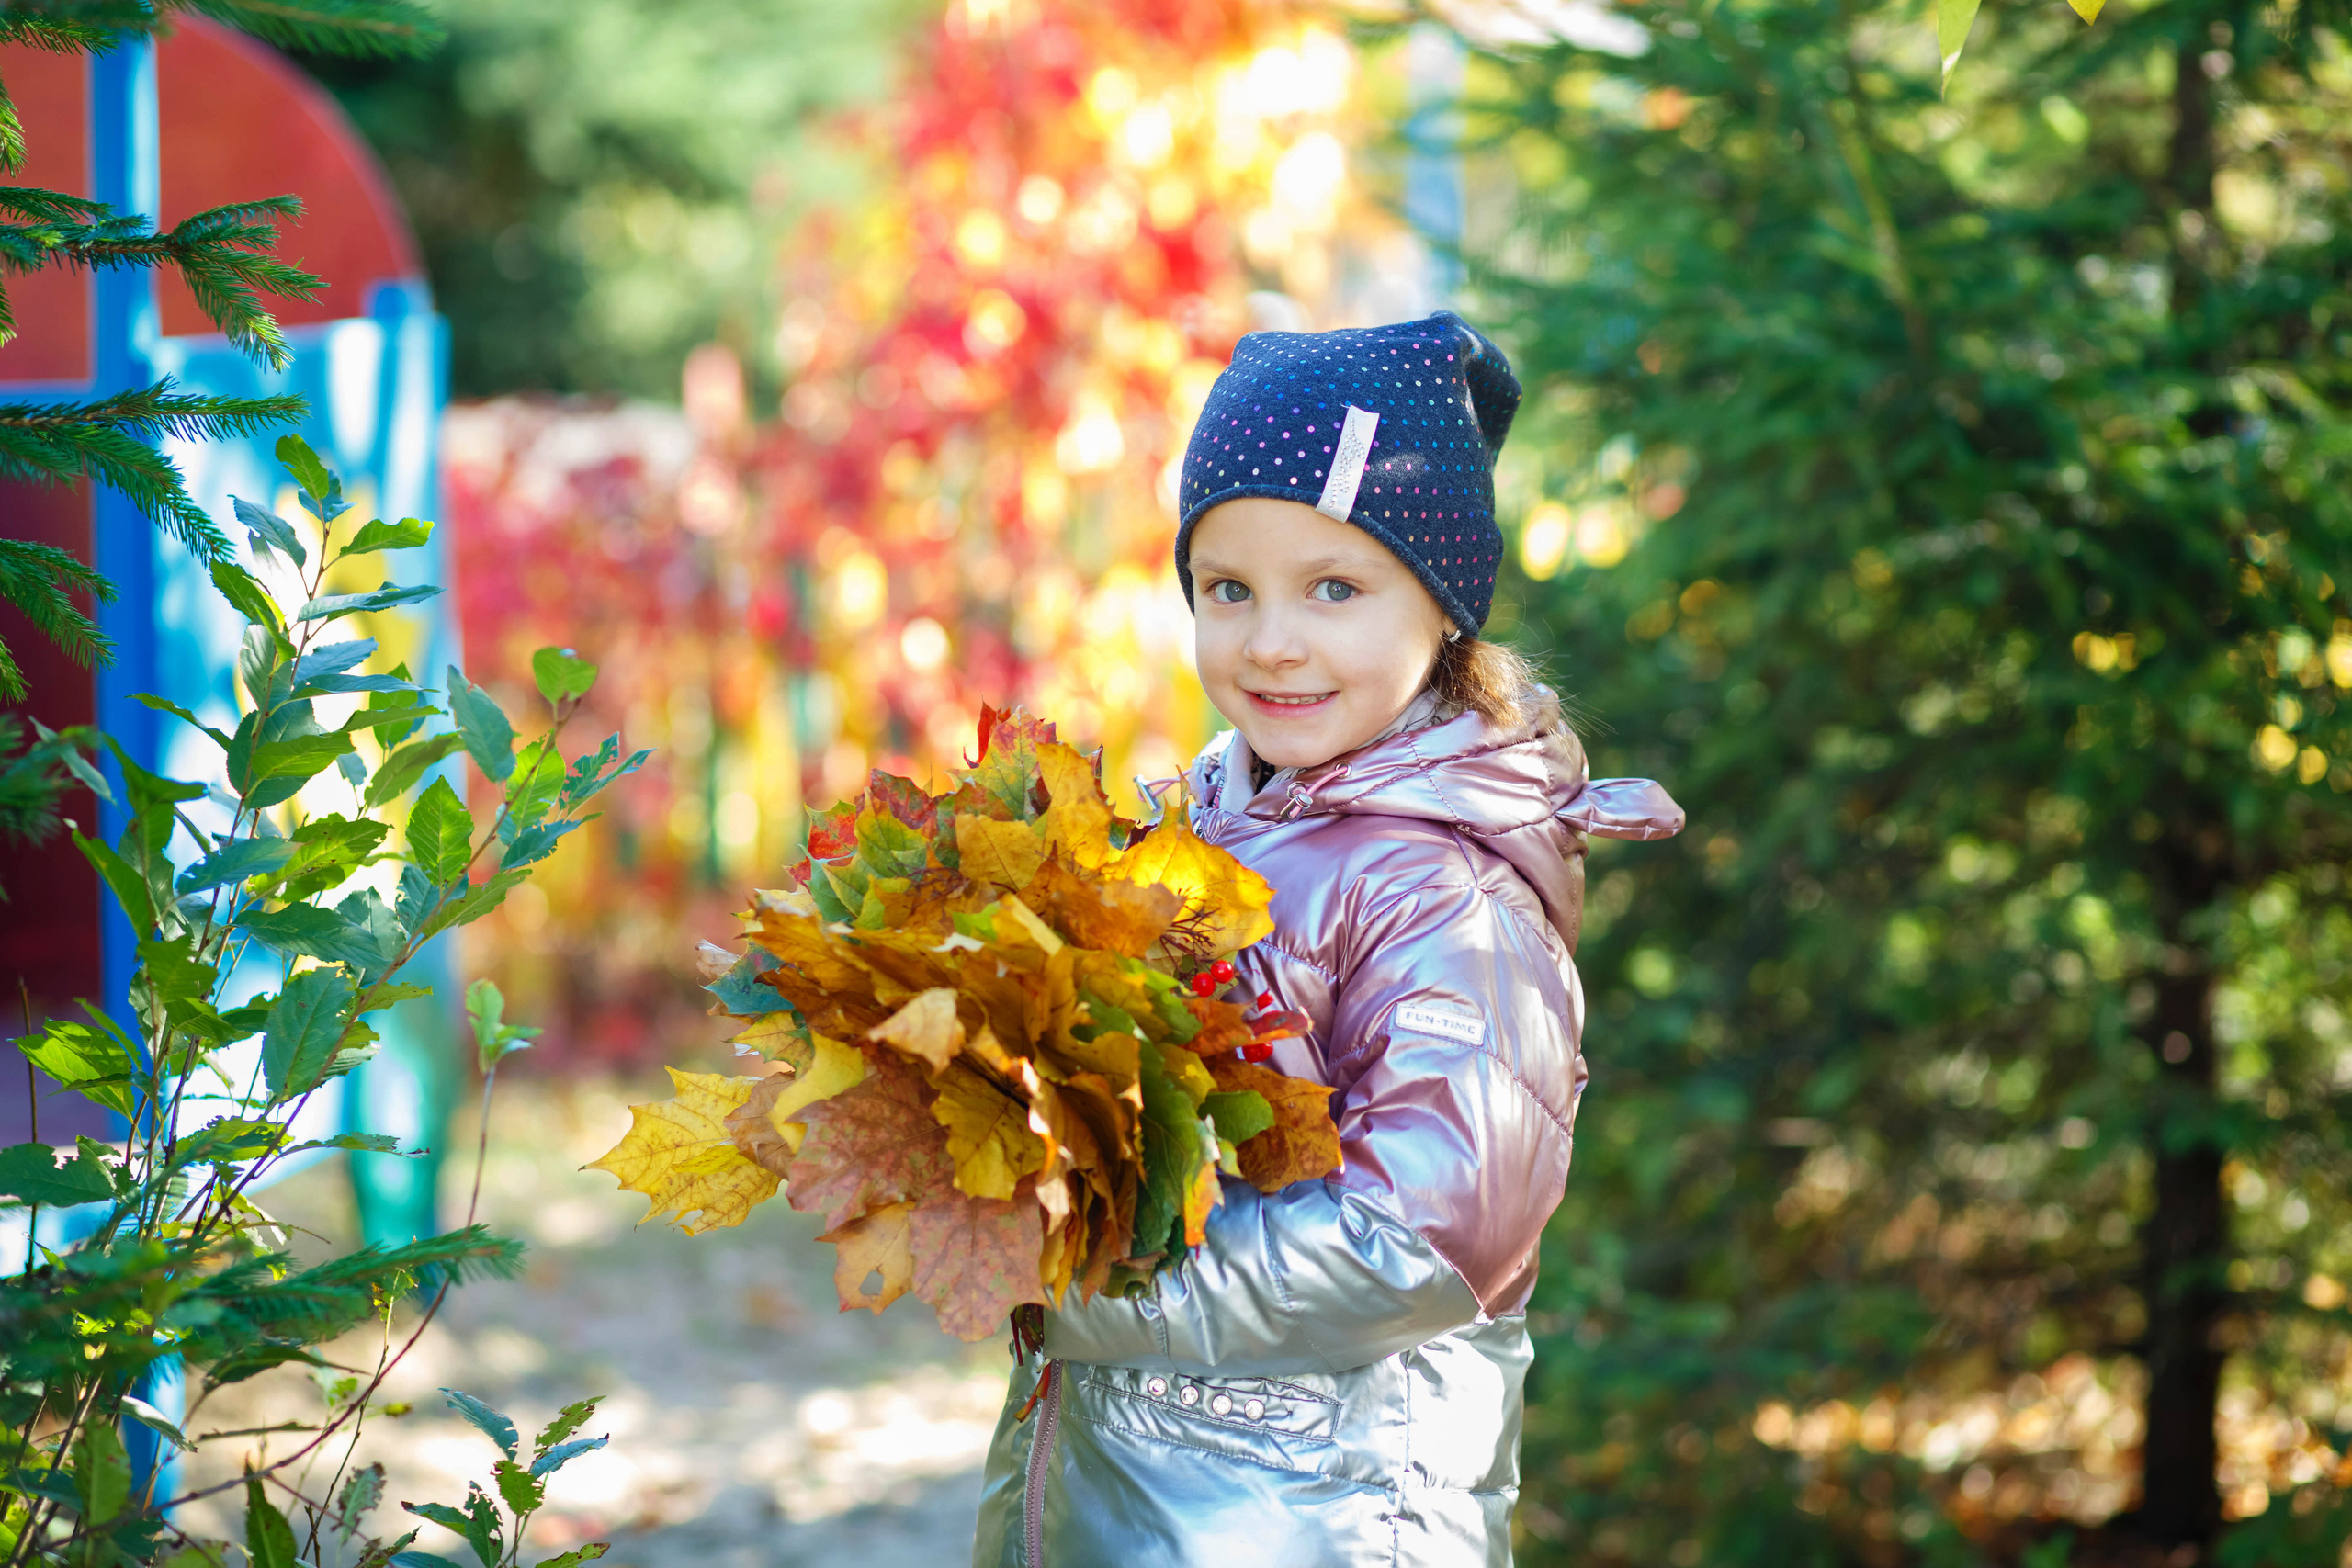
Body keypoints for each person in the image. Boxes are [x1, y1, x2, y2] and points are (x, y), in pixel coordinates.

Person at [972, 311, 1684, 1567]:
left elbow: (1423, 1235)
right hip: (1124, 1509)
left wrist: (1087, 1288)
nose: (1272, 641)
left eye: (1335, 589)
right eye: (1227, 588)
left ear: (1445, 611)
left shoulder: (1445, 897)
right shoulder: (1179, 841)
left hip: (1330, 1524)